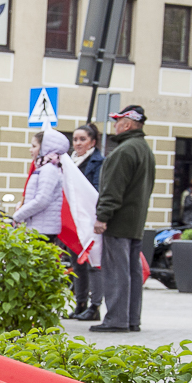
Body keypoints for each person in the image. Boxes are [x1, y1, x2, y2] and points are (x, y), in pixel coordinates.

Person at [91, 105, 156, 334]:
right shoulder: (145, 150)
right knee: (132, 272)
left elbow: (113, 188)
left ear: (127, 124)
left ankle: (116, 320)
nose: (115, 126)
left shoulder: (124, 151)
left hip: (118, 222)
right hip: (135, 222)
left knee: (116, 271)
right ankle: (131, 319)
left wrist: (102, 216)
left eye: (118, 122)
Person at [69, 124, 104, 321]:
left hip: (90, 219)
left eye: (82, 139)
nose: (78, 143)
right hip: (74, 220)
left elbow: (97, 189)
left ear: (92, 142)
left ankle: (95, 306)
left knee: (93, 262)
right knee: (77, 263)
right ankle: (80, 303)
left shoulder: (98, 162)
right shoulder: (70, 162)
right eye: (75, 139)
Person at [12, 129, 69, 238]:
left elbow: (42, 200)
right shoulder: (44, 168)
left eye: (34, 146)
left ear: (45, 148)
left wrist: (18, 215)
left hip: (42, 231)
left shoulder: (48, 170)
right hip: (39, 228)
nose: (30, 150)